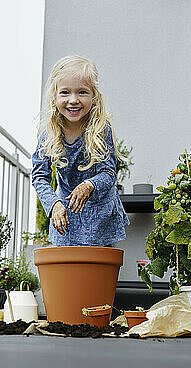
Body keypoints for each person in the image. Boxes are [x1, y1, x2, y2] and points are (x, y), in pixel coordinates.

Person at [32, 55, 129, 247]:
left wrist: (88, 186)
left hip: (99, 216)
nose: (73, 100)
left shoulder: (101, 129)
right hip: (65, 215)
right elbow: (39, 176)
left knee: (97, 271)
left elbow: (108, 173)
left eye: (82, 92)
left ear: (94, 97)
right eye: (65, 93)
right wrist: (54, 205)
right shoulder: (48, 135)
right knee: (68, 273)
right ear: (54, 97)